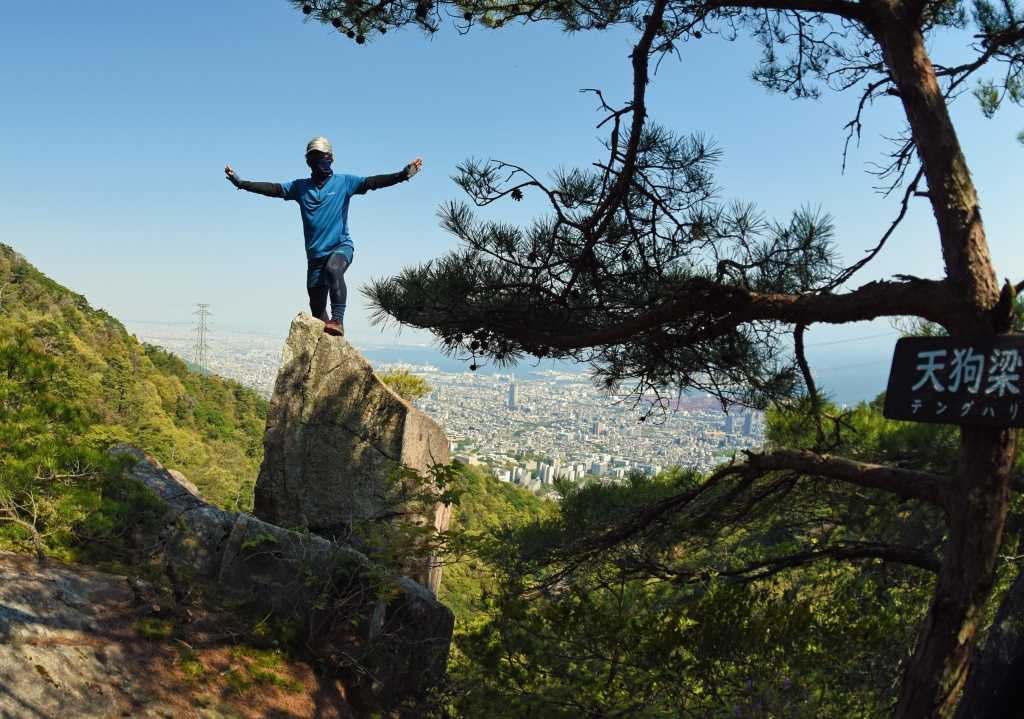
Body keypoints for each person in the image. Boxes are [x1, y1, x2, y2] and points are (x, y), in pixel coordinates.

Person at [225, 136, 422, 336]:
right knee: (317, 310)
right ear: (309, 162)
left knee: (333, 270)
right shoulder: (299, 187)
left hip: (340, 247)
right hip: (314, 257)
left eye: (323, 157)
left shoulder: (344, 182)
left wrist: (402, 175)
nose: (320, 162)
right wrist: (241, 183)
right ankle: (329, 340)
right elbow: (273, 189)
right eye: (315, 158)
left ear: (331, 159)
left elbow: (372, 182)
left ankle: (338, 320)